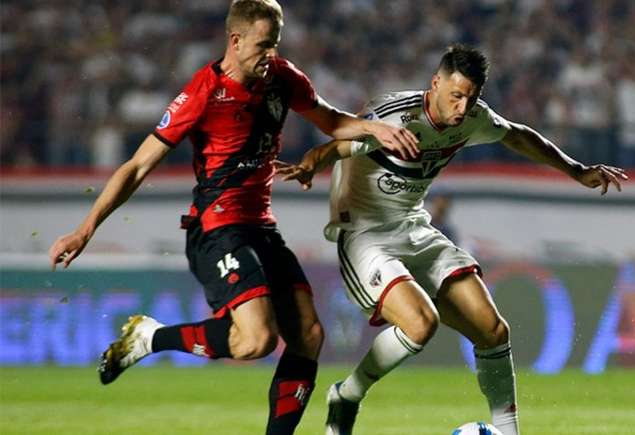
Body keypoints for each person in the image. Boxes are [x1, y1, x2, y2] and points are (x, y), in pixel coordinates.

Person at [47, 1, 418, 434]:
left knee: (309, 335)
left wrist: (376, 128)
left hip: (260, 225)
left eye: (275, 45)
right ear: (235, 40)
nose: (270, 55)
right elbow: (137, 166)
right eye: (263, 46)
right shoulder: (203, 92)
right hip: (215, 227)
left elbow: (331, 120)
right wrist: (86, 228)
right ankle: (150, 337)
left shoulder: (282, 77)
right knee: (256, 340)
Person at [277, 44, 628, 435]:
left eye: (470, 98)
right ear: (436, 83)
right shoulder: (396, 116)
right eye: (455, 95)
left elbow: (517, 136)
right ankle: (347, 395)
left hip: (415, 227)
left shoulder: (473, 118)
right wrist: (312, 164)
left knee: (493, 331)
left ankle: (508, 431)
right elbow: (338, 145)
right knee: (419, 324)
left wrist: (576, 170)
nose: (462, 107)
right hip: (365, 234)